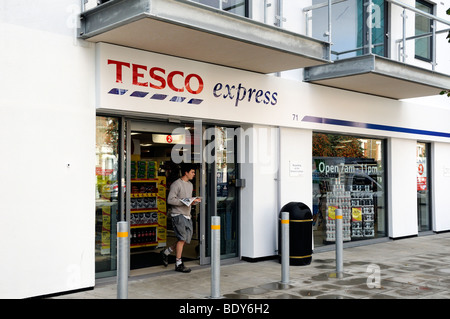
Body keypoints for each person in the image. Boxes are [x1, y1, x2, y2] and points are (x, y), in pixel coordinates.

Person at [161, 163, 201, 272]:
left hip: (187, 215)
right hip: (178, 214)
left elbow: (187, 200)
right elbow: (170, 200)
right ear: (186, 172)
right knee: (182, 238)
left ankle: (166, 252)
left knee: (185, 239)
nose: (194, 174)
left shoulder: (190, 185)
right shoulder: (176, 184)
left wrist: (192, 202)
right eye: (192, 172)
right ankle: (178, 263)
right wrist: (184, 202)